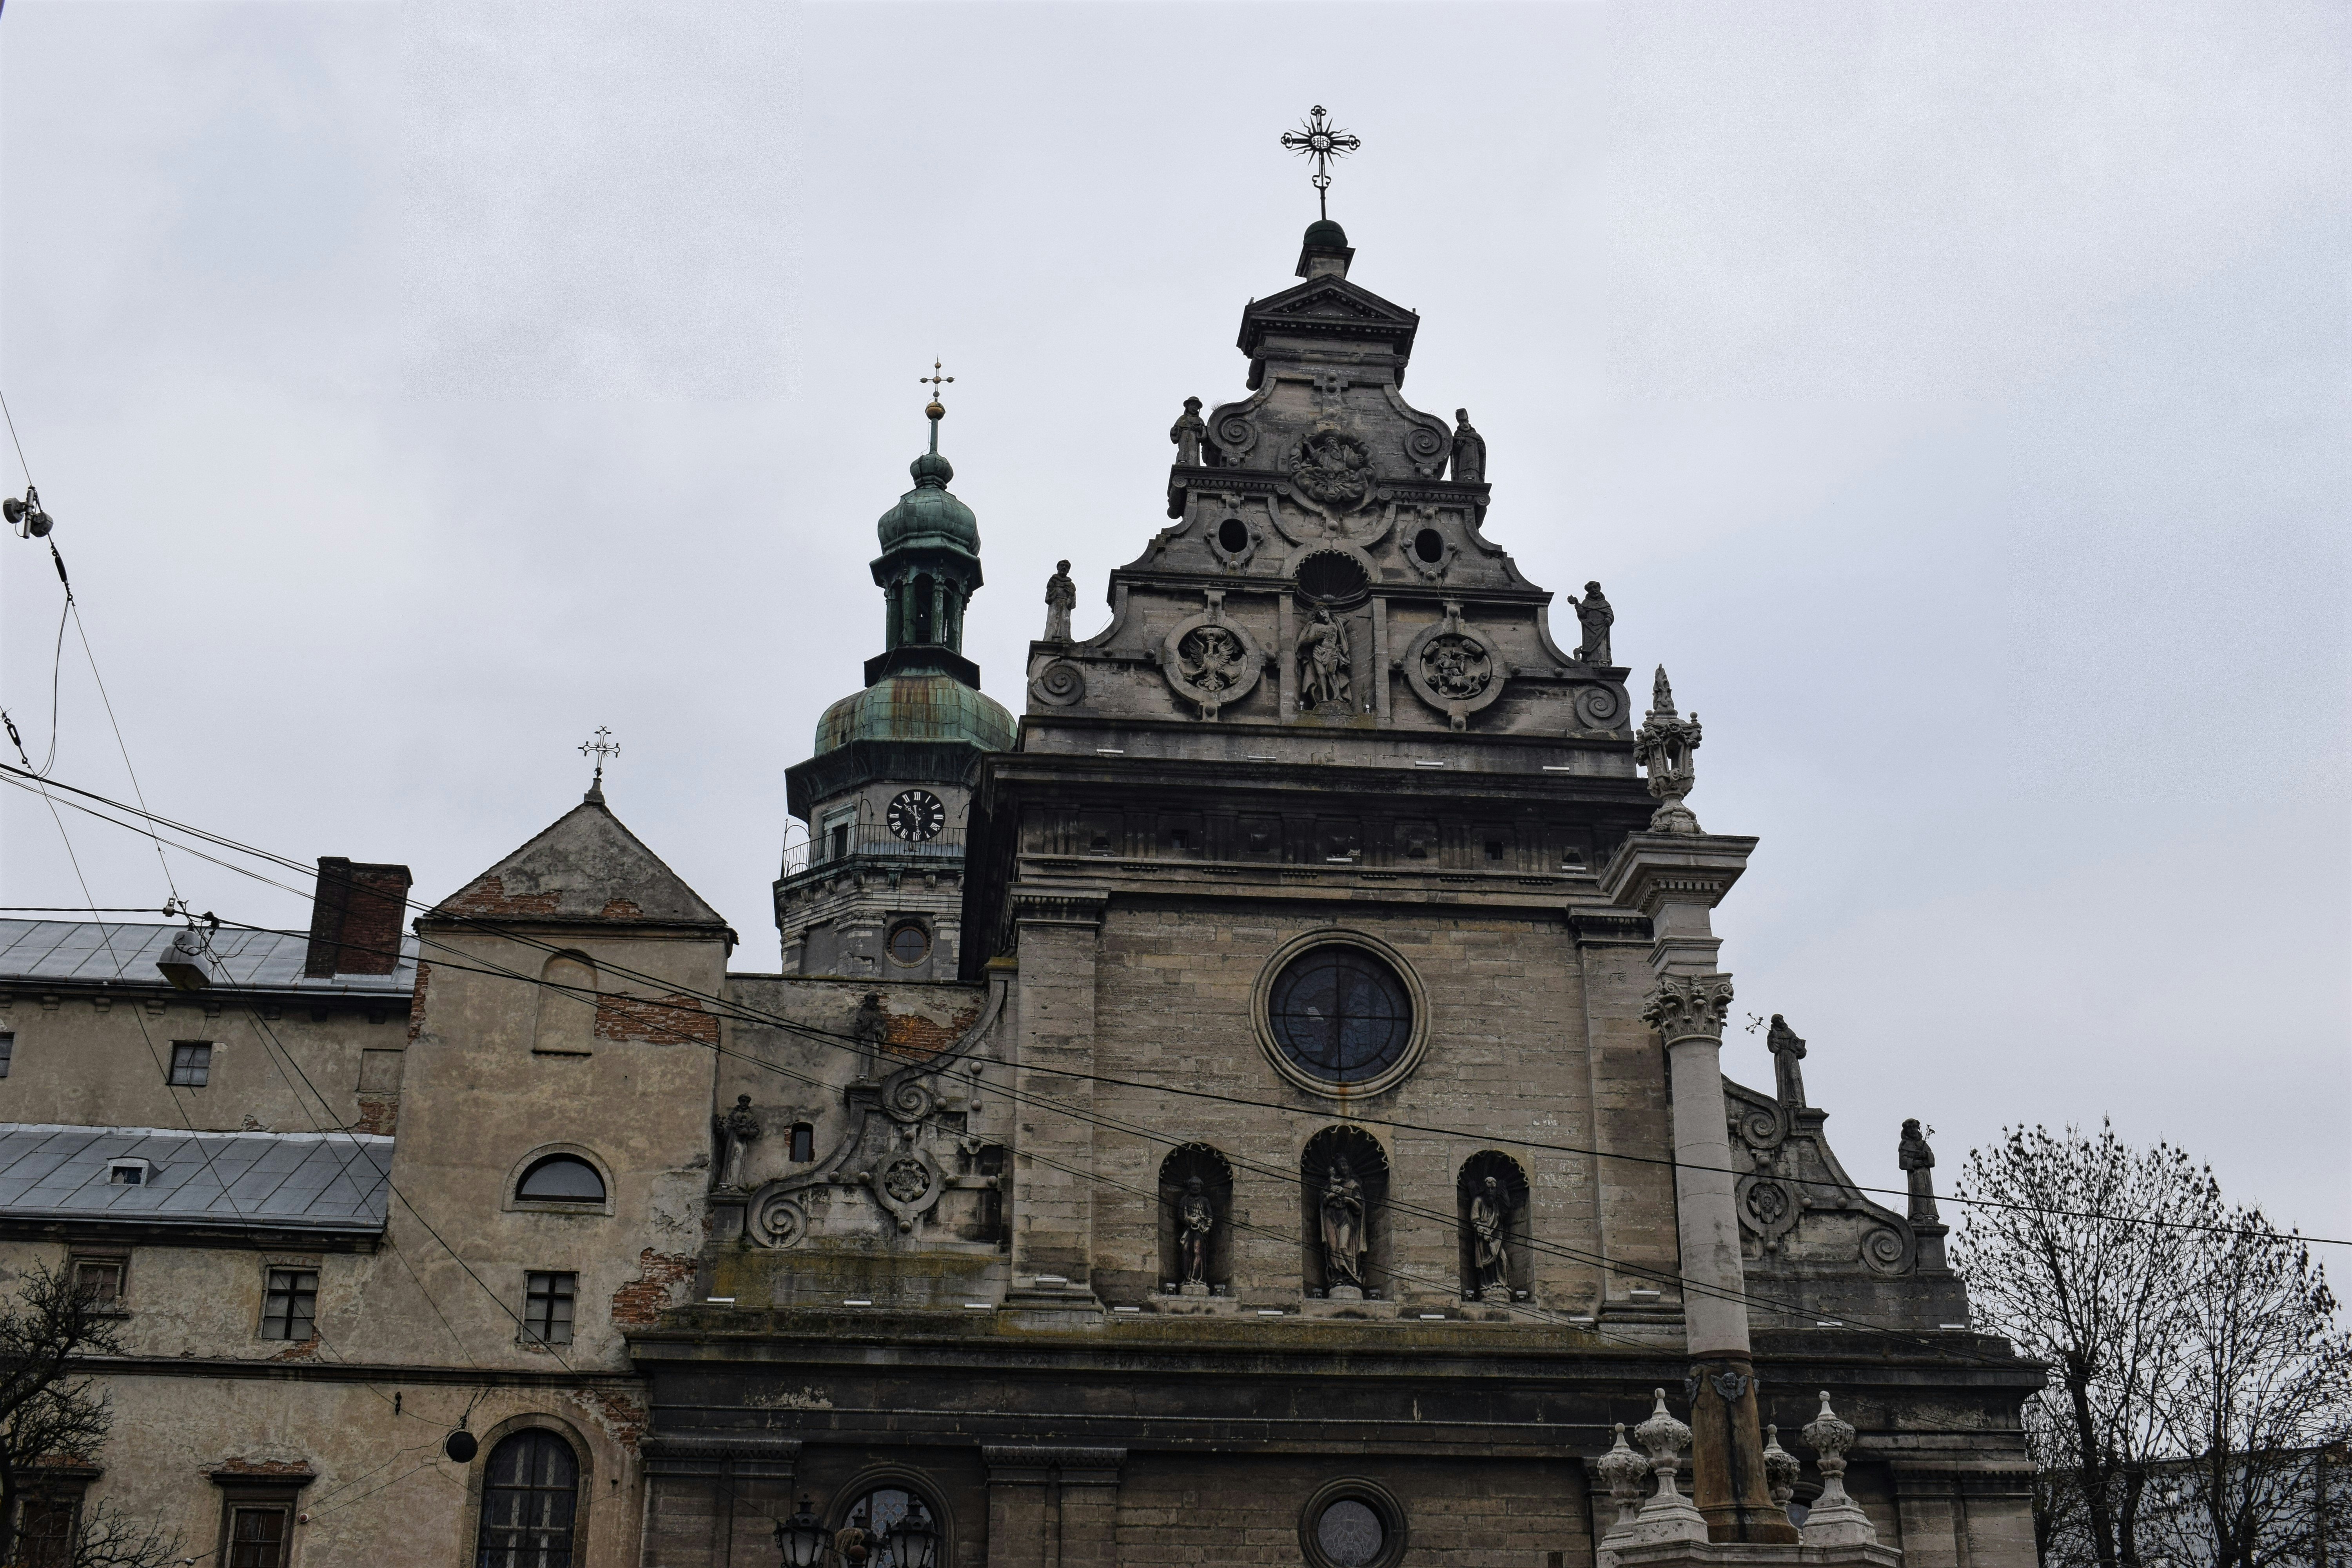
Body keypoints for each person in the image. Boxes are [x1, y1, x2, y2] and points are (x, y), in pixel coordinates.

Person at [1321, 1156, 1366, 1290]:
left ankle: (1352, 1276)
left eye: (1345, 1165)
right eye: (1340, 1166)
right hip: (1330, 1218)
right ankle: (1337, 1278)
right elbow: (1323, 1202)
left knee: (1343, 1246)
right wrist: (1331, 1196)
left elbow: (1360, 1208)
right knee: (1333, 1249)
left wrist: (1350, 1200)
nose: (1343, 1168)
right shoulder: (1330, 1185)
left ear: (1349, 1167)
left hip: (1346, 1219)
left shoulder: (1354, 1185)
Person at [1297, 605, 1350, 710]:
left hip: (1333, 652)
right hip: (1318, 651)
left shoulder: (1337, 625)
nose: (1322, 615)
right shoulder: (1316, 626)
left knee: (1331, 671)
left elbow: (1342, 639)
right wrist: (1316, 637)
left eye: (1323, 611)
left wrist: (1340, 649)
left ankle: (1338, 696)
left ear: (1328, 611)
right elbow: (1304, 642)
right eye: (1319, 614)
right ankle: (1324, 698)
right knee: (1321, 674)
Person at [1471, 1174, 1510, 1296]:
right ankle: (1487, 1287)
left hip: (1497, 1239)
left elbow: (1504, 1214)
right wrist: (1483, 1232)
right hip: (1483, 1239)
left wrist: (1506, 1199)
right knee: (1487, 1264)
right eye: (1489, 1189)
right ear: (1485, 1189)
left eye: (1493, 1189)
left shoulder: (1496, 1205)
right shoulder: (1478, 1201)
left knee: (1503, 1259)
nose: (1491, 1192)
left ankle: (1501, 1284)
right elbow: (1475, 1220)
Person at [1566, 581, 1614, 665]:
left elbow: (1610, 614)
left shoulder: (1605, 604)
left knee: (1602, 647)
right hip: (1589, 629)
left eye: (1595, 587)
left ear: (1599, 588)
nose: (1593, 590)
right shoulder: (1586, 603)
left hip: (1602, 628)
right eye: (1590, 589)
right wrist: (1577, 604)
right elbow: (1582, 615)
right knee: (1589, 648)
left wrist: (1609, 618)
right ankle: (1590, 662)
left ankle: (1603, 662)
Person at [1179, 1176, 1214, 1286]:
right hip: (1189, 1230)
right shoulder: (1184, 1200)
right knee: (1185, 1250)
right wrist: (1189, 1220)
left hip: (1200, 1230)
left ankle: (1197, 1279)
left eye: (1197, 1185)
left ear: (1201, 1187)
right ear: (1190, 1186)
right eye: (1193, 1184)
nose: (1195, 1187)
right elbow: (1180, 1216)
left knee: (1197, 1251)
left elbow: (1210, 1216)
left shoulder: (1205, 1201)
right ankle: (1187, 1278)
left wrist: (1208, 1227)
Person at [1169, 396, 1207, 466]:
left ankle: (1193, 465)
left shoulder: (1200, 420)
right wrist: (1175, 431)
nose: (1194, 407)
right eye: (1192, 405)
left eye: (1196, 406)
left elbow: (1204, 436)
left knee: (1193, 454)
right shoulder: (1182, 419)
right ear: (1188, 406)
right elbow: (1175, 434)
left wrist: (1199, 429)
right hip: (1184, 438)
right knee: (1182, 453)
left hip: (1194, 440)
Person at [1043, 560, 1076, 642]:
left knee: (1065, 621)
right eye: (1062, 565)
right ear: (1058, 567)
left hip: (1065, 605)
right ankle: (1049, 640)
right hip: (1055, 604)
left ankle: (1065, 639)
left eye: (1067, 567)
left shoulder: (1071, 585)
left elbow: (1072, 605)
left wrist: (1071, 595)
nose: (1064, 568)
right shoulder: (1053, 581)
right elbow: (1048, 599)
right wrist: (1052, 590)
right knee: (1052, 621)